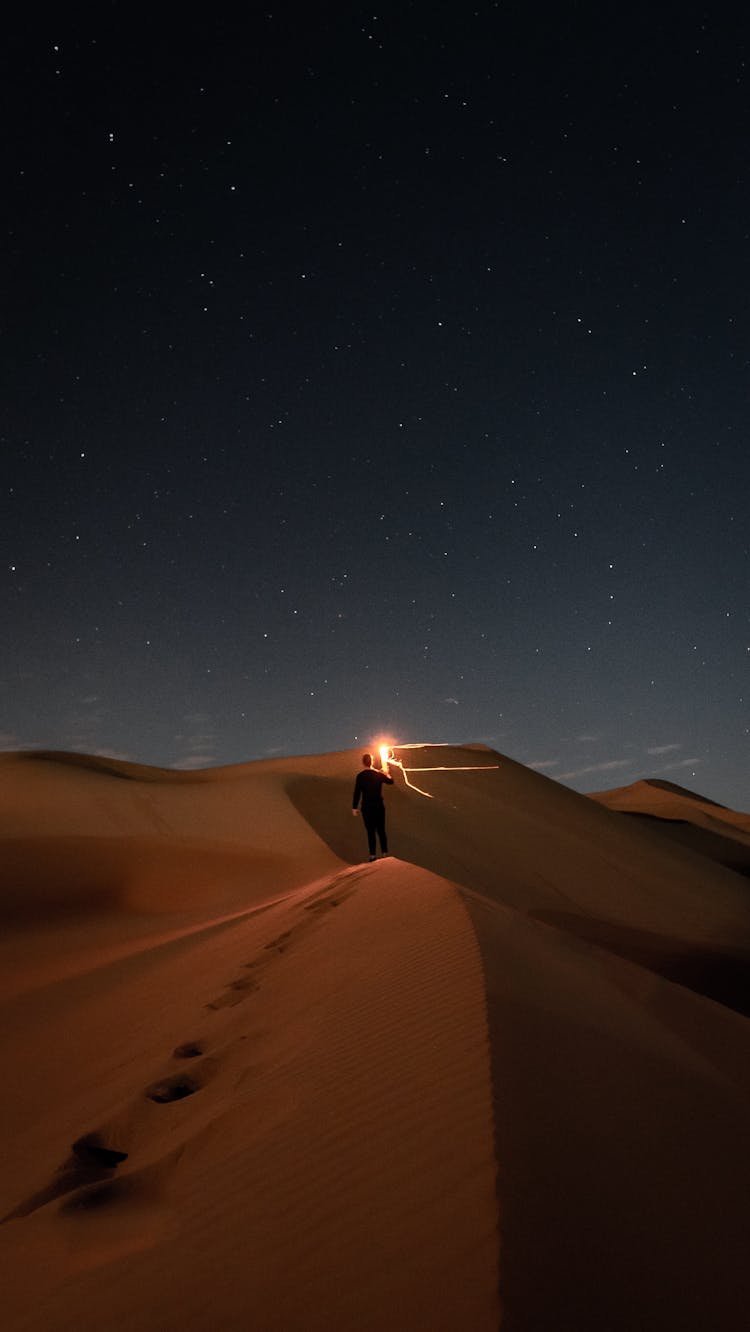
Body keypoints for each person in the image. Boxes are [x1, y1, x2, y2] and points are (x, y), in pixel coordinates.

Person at [352, 752, 394, 861]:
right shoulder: (378, 774)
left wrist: (354, 808)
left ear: (363, 763)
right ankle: (384, 854)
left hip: (366, 808)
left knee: (370, 832)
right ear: (372, 762)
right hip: (379, 806)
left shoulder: (360, 776)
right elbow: (391, 781)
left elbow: (357, 793)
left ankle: (372, 856)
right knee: (381, 830)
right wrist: (386, 773)